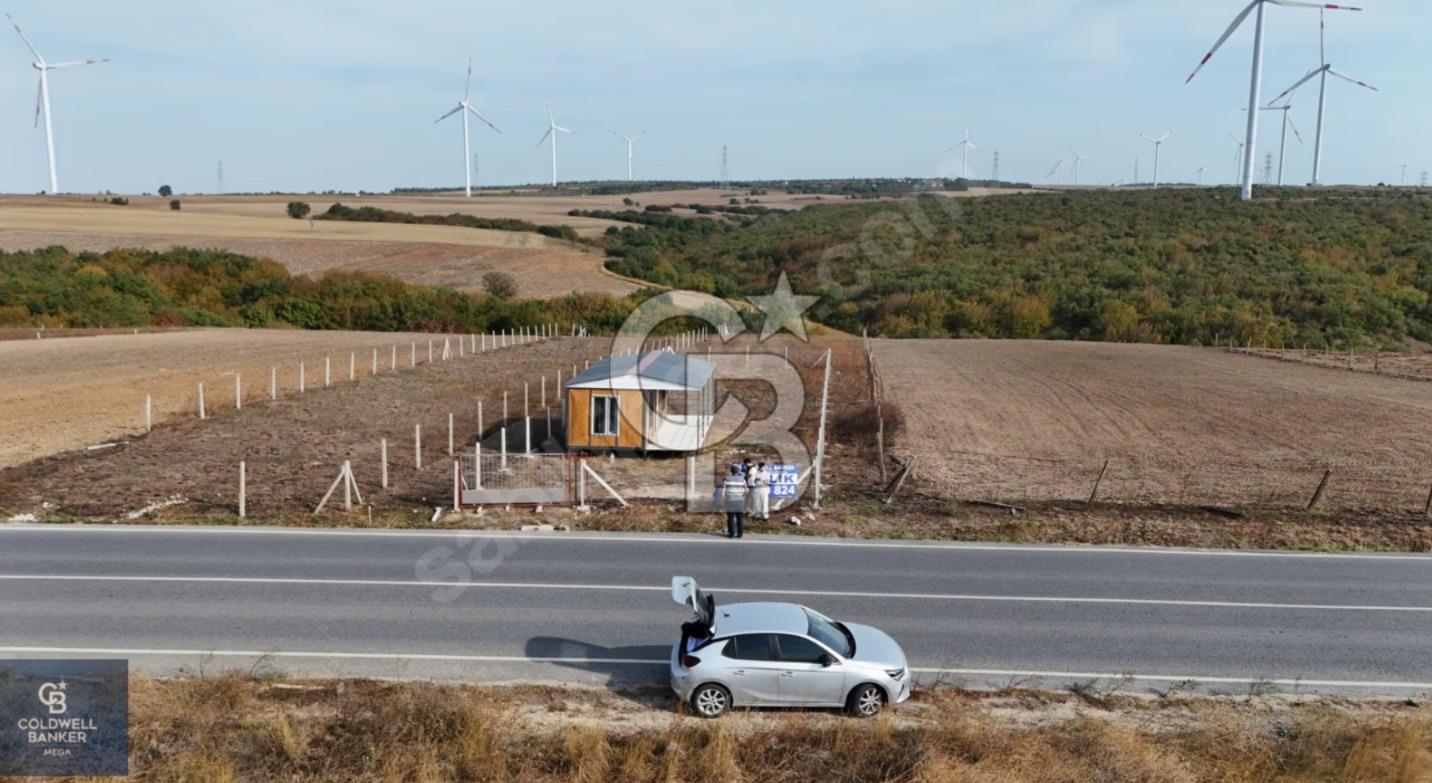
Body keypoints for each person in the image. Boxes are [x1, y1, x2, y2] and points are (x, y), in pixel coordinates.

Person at [716, 463, 749, 539]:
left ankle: (731, 533)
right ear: (738, 472)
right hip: (739, 500)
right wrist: (742, 496)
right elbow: (747, 490)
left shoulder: (727, 479)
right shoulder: (742, 479)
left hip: (730, 500)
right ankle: (740, 534)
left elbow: (723, 491)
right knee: (739, 518)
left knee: (730, 517)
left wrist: (722, 499)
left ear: (731, 471)